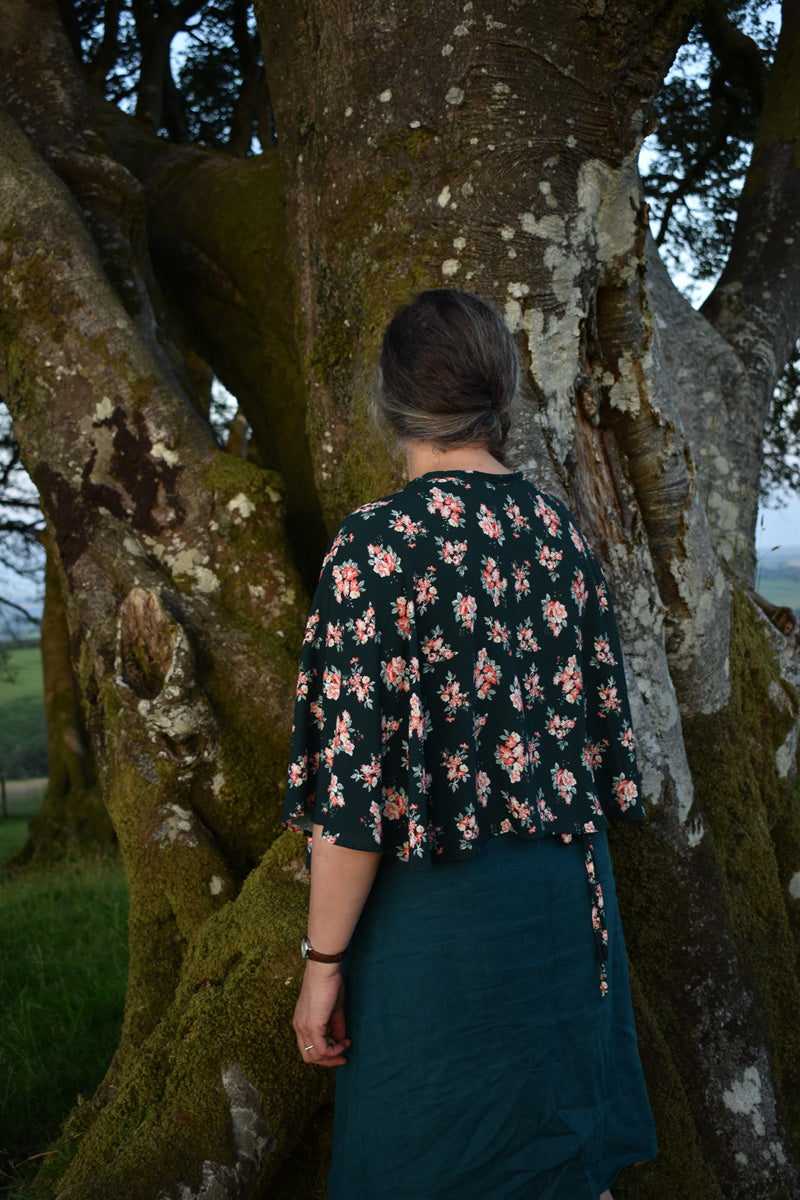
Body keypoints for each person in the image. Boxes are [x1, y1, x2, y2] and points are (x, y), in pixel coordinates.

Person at [283, 289, 658, 1200]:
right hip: (568, 912)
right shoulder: (558, 534)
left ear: (389, 400)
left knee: (430, 1163)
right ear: (502, 396)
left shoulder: (376, 548)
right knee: (557, 1164)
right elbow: (602, 748)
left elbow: (354, 799)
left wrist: (320, 966)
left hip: (438, 930)